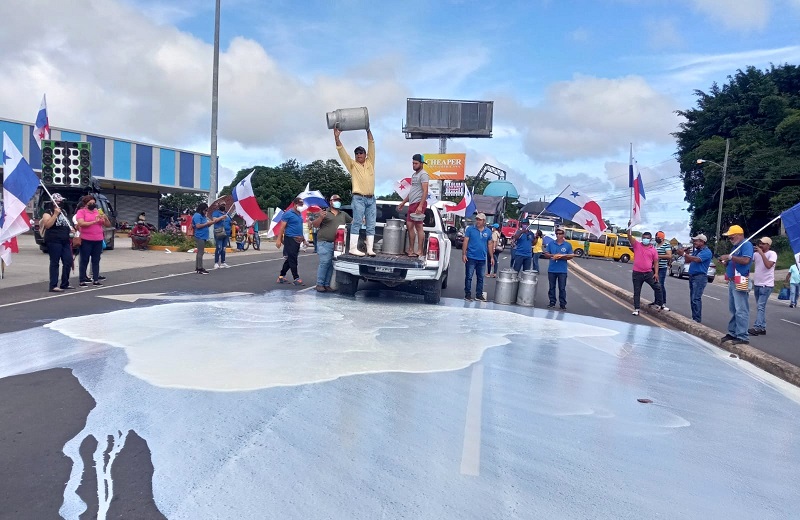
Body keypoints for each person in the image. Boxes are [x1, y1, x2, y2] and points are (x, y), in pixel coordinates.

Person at [334, 126, 376, 256]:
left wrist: (368, 130)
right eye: (357, 153)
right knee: (357, 222)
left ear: (365, 154)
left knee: (371, 223)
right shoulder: (352, 165)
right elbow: (342, 153)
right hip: (358, 198)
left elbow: (372, 145)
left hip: (371, 198)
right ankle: (353, 248)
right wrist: (336, 137)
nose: (359, 155)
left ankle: (369, 248)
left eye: (361, 153)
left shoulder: (370, 162)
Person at [718, 225, 755, 345]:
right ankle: (733, 332)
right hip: (733, 279)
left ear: (739, 235)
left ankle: (742, 335)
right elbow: (734, 261)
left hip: (741, 278)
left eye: (731, 237)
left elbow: (746, 260)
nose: (730, 239)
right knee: (733, 308)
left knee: (741, 309)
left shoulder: (746, 245)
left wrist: (730, 257)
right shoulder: (736, 247)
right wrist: (727, 262)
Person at [311, 194, 352, 292]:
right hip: (324, 242)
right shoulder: (324, 213)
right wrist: (320, 217)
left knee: (331, 264)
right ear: (330, 202)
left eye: (339, 200)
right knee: (324, 262)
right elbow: (315, 225)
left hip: (337, 244)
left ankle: (326, 284)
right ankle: (319, 284)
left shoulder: (343, 214)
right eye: (335, 200)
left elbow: (352, 222)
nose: (337, 202)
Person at [39, 193, 76, 292]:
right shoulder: (48, 212)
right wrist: (55, 214)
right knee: (55, 262)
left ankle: (65, 283)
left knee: (68, 261)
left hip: (65, 240)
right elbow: (47, 225)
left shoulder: (63, 211)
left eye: (61, 201)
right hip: (53, 240)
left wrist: (71, 229)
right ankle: (53, 285)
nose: (60, 203)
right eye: (58, 201)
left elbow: (66, 224)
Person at [627, 228, 665, 316]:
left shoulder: (653, 250)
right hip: (637, 273)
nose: (645, 239)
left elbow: (656, 262)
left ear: (650, 239)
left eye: (647, 238)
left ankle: (660, 304)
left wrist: (656, 273)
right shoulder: (637, 245)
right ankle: (636, 309)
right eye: (644, 238)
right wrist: (629, 228)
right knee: (637, 291)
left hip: (648, 273)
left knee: (658, 287)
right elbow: (629, 236)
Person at [398, 154, 430, 258]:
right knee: (409, 225)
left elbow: (425, 191)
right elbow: (412, 191)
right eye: (413, 163)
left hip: (419, 203)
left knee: (419, 227)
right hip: (412, 203)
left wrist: (420, 206)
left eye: (416, 163)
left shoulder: (424, 174)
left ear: (421, 163)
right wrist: (403, 202)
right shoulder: (414, 175)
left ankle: (420, 250)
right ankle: (411, 249)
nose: (414, 165)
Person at [75, 195, 110, 287]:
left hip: (98, 239)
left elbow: (107, 224)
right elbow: (81, 223)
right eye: (90, 203)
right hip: (86, 239)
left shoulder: (97, 211)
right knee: (84, 260)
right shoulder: (81, 212)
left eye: (94, 203)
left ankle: (95, 279)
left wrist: (105, 218)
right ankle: (82, 279)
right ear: (85, 204)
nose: (93, 205)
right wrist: (94, 221)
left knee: (96, 260)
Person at [677, 234, 713, 322]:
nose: (694, 242)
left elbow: (697, 260)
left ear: (702, 241)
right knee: (692, 298)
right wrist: (686, 254)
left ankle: (697, 319)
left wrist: (684, 254)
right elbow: (688, 260)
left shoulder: (707, 252)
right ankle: (694, 317)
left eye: (696, 241)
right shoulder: (697, 251)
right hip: (693, 276)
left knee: (696, 298)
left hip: (700, 277)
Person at [462, 213, 494, 302]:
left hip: (482, 258)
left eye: (480, 220)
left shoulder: (488, 232)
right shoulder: (470, 230)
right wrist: (464, 254)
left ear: (484, 221)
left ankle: (479, 295)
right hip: (471, 257)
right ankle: (467, 294)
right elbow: (465, 241)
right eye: (477, 219)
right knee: (469, 276)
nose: (478, 221)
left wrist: (491, 257)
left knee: (480, 278)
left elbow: (490, 244)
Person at [749, 237, 777, 336]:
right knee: (760, 307)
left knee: (761, 306)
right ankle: (762, 327)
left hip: (766, 285)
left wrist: (761, 253)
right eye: (760, 243)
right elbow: (748, 260)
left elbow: (768, 265)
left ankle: (757, 327)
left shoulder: (772, 254)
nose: (761, 245)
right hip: (757, 284)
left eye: (763, 244)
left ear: (768, 245)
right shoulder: (755, 254)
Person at [275, 197, 307, 285]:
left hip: (298, 239)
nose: (301, 206)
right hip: (290, 239)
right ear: (295, 204)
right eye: (300, 204)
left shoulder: (299, 214)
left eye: (302, 205)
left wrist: (304, 239)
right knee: (293, 259)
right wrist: (279, 239)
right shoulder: (288, 214)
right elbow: (282, 227)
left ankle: (281, 276)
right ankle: (296, 278)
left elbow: (299, 228)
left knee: (290, 259)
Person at [542, 228, 575, 310]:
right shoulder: (551, 244)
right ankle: (552, 302)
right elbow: (546, 254)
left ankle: (562, 304)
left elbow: (571, 255)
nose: (558, 235)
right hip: (552, 269)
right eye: (557, 233)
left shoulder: (567, 245)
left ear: (563, 235)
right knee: (551, 287)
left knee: (562, 288)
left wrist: (562, 256)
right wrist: (553, 255)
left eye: (560, 234)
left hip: (562, 270)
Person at [192, 202, 224, 275]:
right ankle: (200, 268)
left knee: (200, 252)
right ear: (201, 209)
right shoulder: (197, 215)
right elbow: (198, 226)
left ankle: (198, 267)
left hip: (203, 236)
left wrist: (211, 223)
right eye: (205, 210)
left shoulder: (203, 216)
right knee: (200, 252)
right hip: (199, 236)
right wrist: (207, 223)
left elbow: (205, 225)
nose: (206, 212)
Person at [211, 204, 232, 269]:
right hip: (219, 232)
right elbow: (214, 220)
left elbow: (229, 221)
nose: (224, 206)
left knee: (224, 248)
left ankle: (223, 262)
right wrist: (221, 217)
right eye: (222, 204)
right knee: (219, 247)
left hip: (226, 232)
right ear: (219, 206)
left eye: (224, 205)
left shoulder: (227, 213)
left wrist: (233, 222)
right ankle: (216, 262)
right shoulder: (216, 213)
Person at [655, 231, 672, 306]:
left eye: (658, 237)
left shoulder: (666, 245)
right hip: (655, 267)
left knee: (660, 285)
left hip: (662, 268)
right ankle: (656, 301)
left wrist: (658, 256)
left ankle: (663, 302)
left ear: (662, 238)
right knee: (655, 284)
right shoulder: (655, 245)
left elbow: (669, 256)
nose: (656, 238)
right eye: (656, 237)